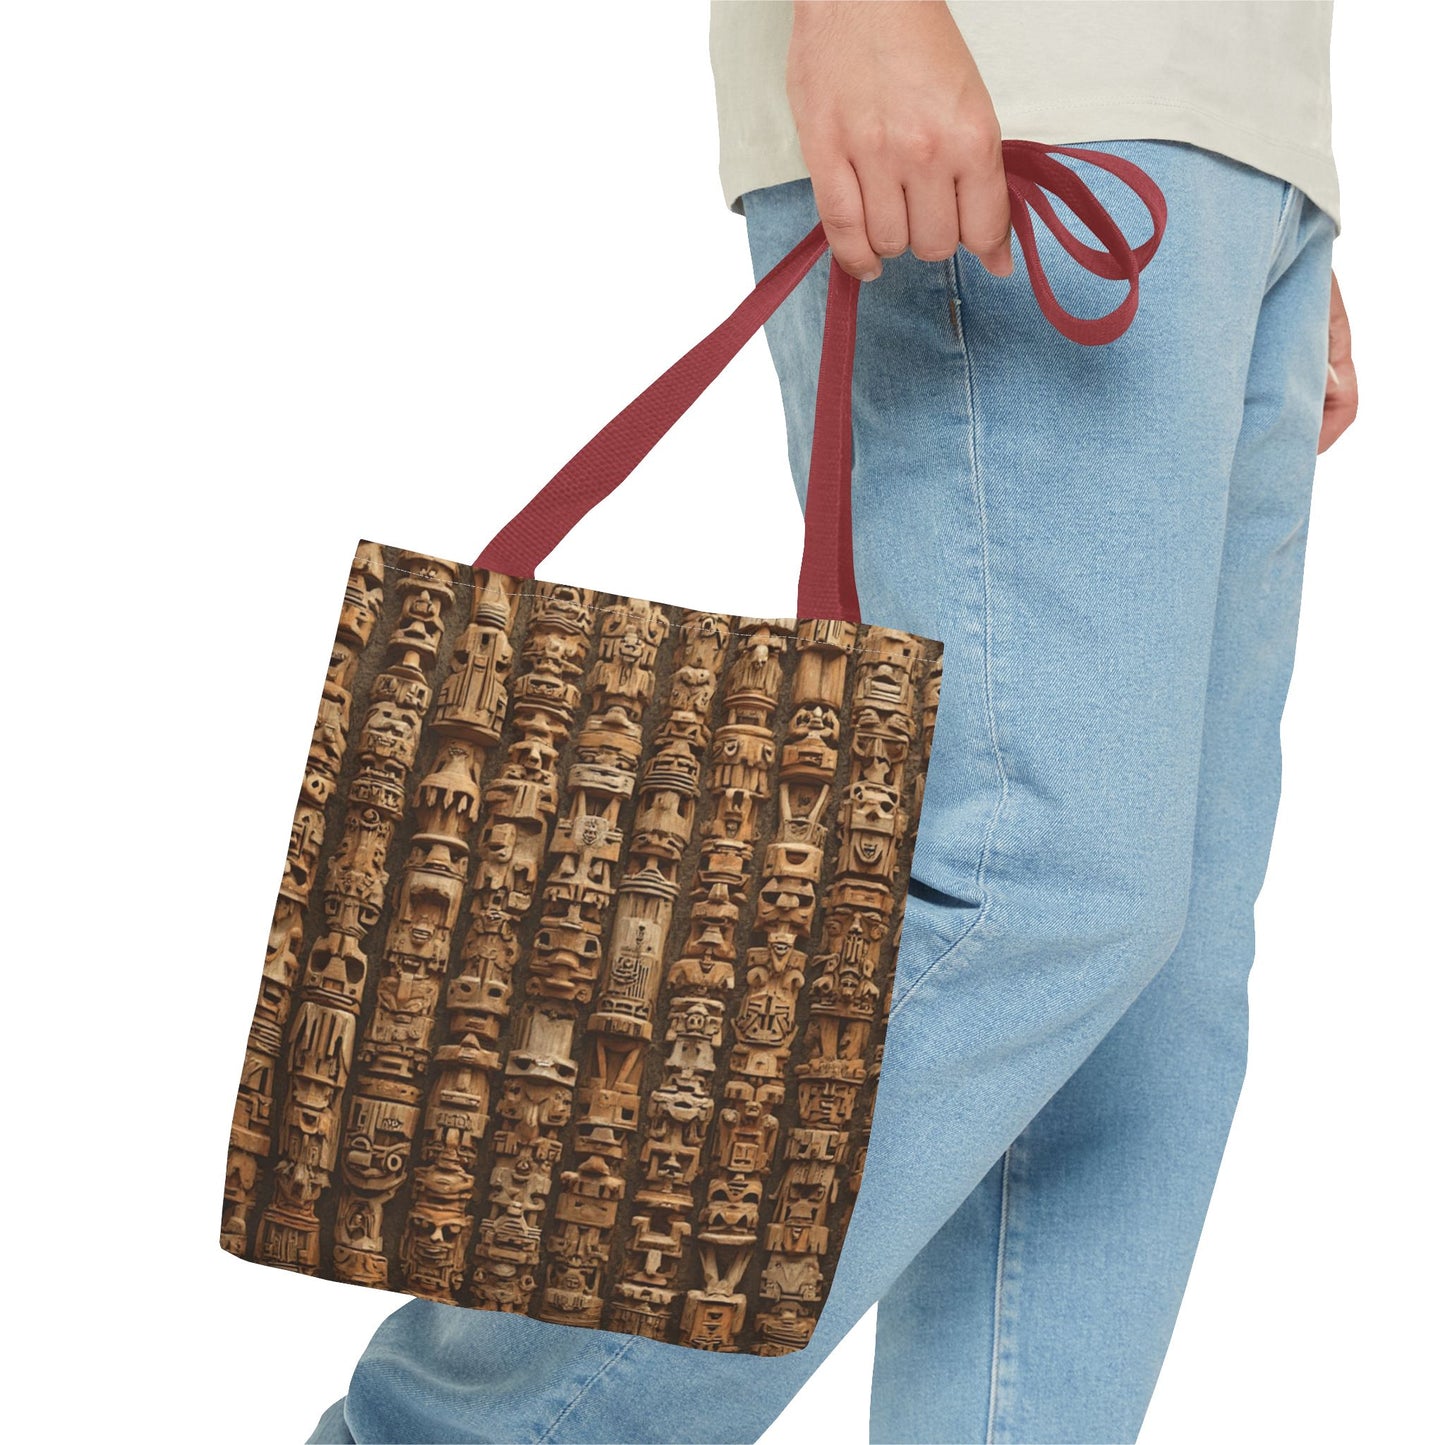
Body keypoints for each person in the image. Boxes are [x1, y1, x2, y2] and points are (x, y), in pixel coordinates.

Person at [307, 2, 1357, 1440]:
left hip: (1228, 143)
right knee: (1026, 889)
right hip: (1018, 83)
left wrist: (1270, 176)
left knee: (1145, 1014)